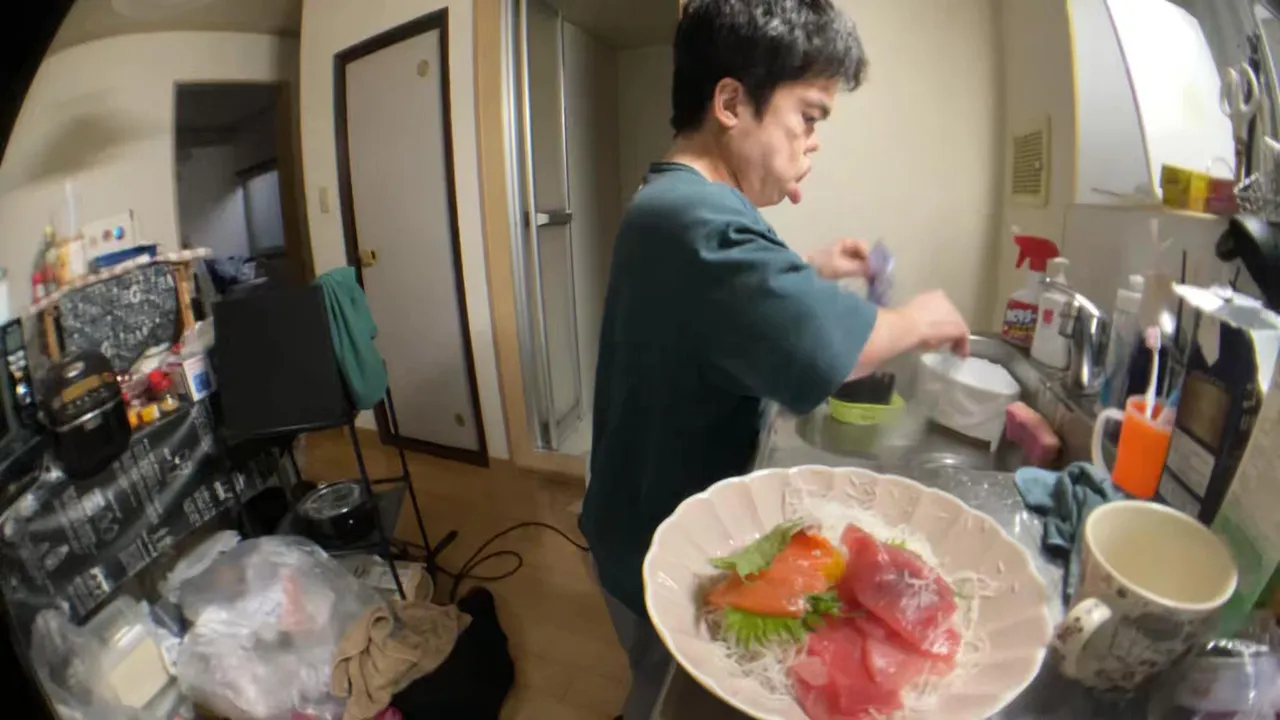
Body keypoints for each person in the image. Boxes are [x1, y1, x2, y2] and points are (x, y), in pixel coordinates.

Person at [578, 1, 971, 717]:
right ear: (731, 103)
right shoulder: (690, 220)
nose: (812, 144)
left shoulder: (679, 203)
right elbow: (821, 344)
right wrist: (920, 319)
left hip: (639, 510)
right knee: (664, 695)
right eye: (808, 118)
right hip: (654, 535)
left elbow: (726, 304)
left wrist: (807, 269)